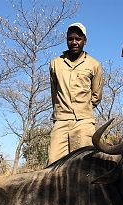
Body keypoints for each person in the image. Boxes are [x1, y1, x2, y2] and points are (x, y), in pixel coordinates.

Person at [48, 22, 103, 164]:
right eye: (70, 39)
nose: (74, 42)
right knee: (53, 165)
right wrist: (61, 110)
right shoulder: (55, 64)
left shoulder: (94, 65)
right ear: (66, 39)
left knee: (84, 166)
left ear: (85, 40)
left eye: (78, 39)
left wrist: (82, 109)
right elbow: (55, 92)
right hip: (61, 121)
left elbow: (96, 95)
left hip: (84, 122)